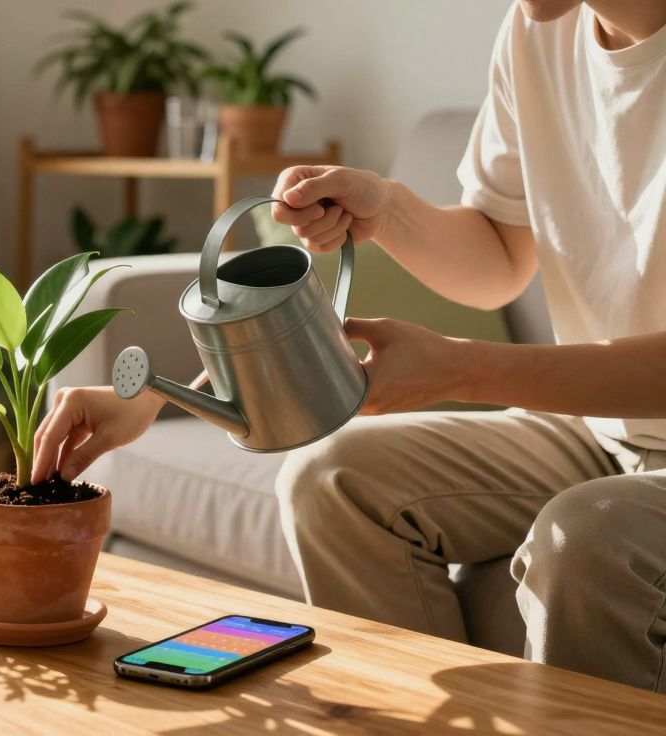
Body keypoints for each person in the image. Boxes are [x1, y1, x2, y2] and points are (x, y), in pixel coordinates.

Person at [32, 0, 666, 692]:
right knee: (329, 480)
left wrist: (462, 367)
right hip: (594, 432)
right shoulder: (537, 31)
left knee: (582, 541)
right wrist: (386, 209)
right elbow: (499, 257)